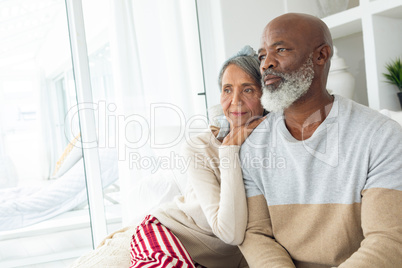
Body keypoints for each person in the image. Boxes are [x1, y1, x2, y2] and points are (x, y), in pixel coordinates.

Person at [71, 46, 266, 268]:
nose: (235, 101)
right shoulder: (200, 146)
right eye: (227, 90)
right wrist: (229, 149)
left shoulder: (273, 147)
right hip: (167, 233)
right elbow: (229, 233)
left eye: (248, 90)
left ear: (265, 95)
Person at [238, 13, 402, 268]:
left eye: (280, 50)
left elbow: (389, 241)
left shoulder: (381, 136)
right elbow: (256, 234)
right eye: (261, 56)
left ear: (321, 55)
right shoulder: (253, 147)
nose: (266, 64)